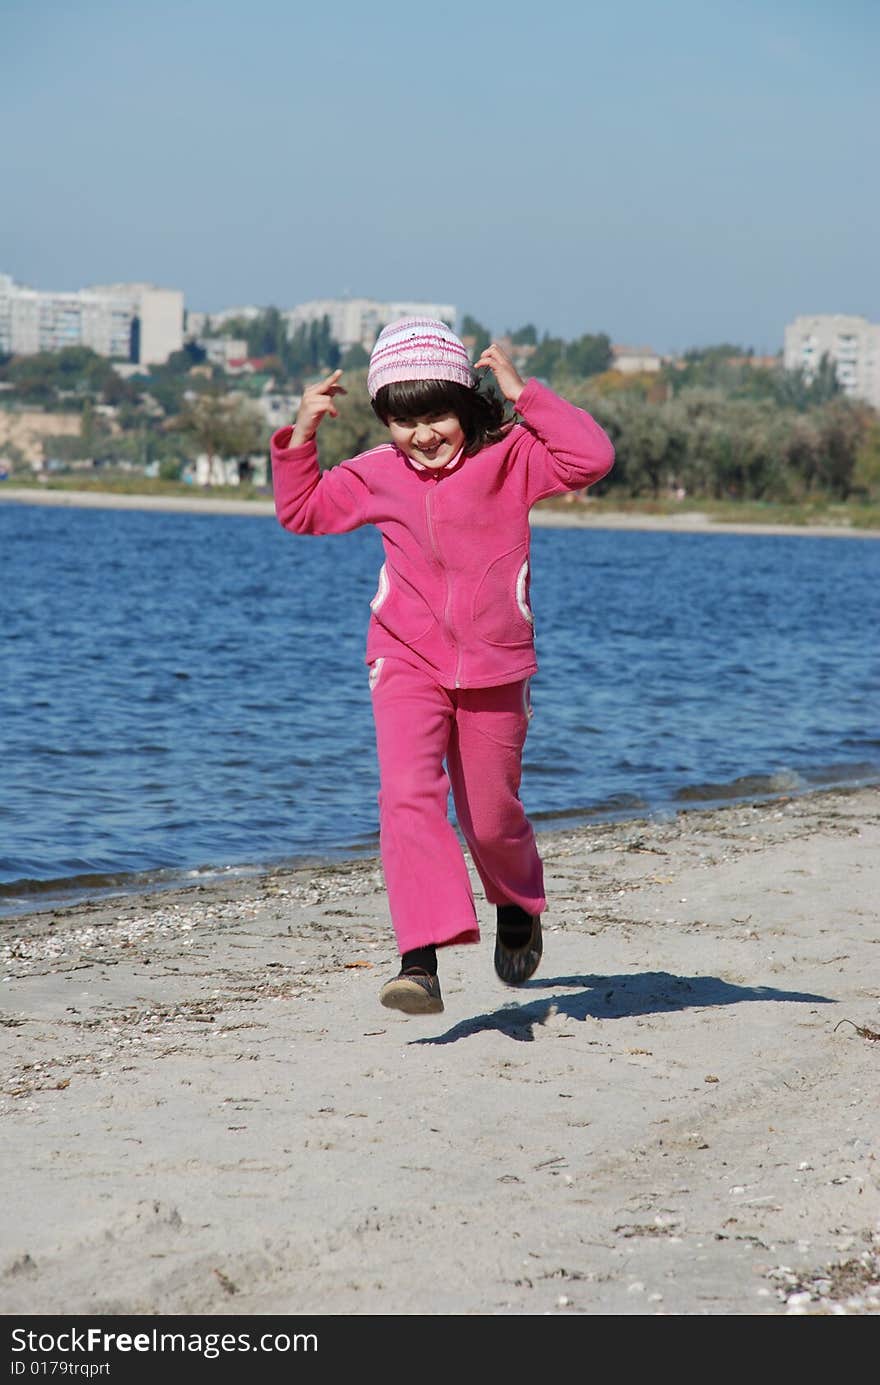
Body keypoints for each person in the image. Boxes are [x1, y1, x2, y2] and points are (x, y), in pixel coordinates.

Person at [271, 318, 614, 1016]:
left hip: (496, 667)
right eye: (404, 420)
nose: (422, 435)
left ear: (465, 403)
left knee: (490, 818)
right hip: (403, 658)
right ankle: (419, 961)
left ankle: (518, 902)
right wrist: (301, 433)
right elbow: (300, 510)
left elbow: (592, 458)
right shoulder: (375, 473)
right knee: (406, 796)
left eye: (436, 415)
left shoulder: (513, 458)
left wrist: (526, 395)